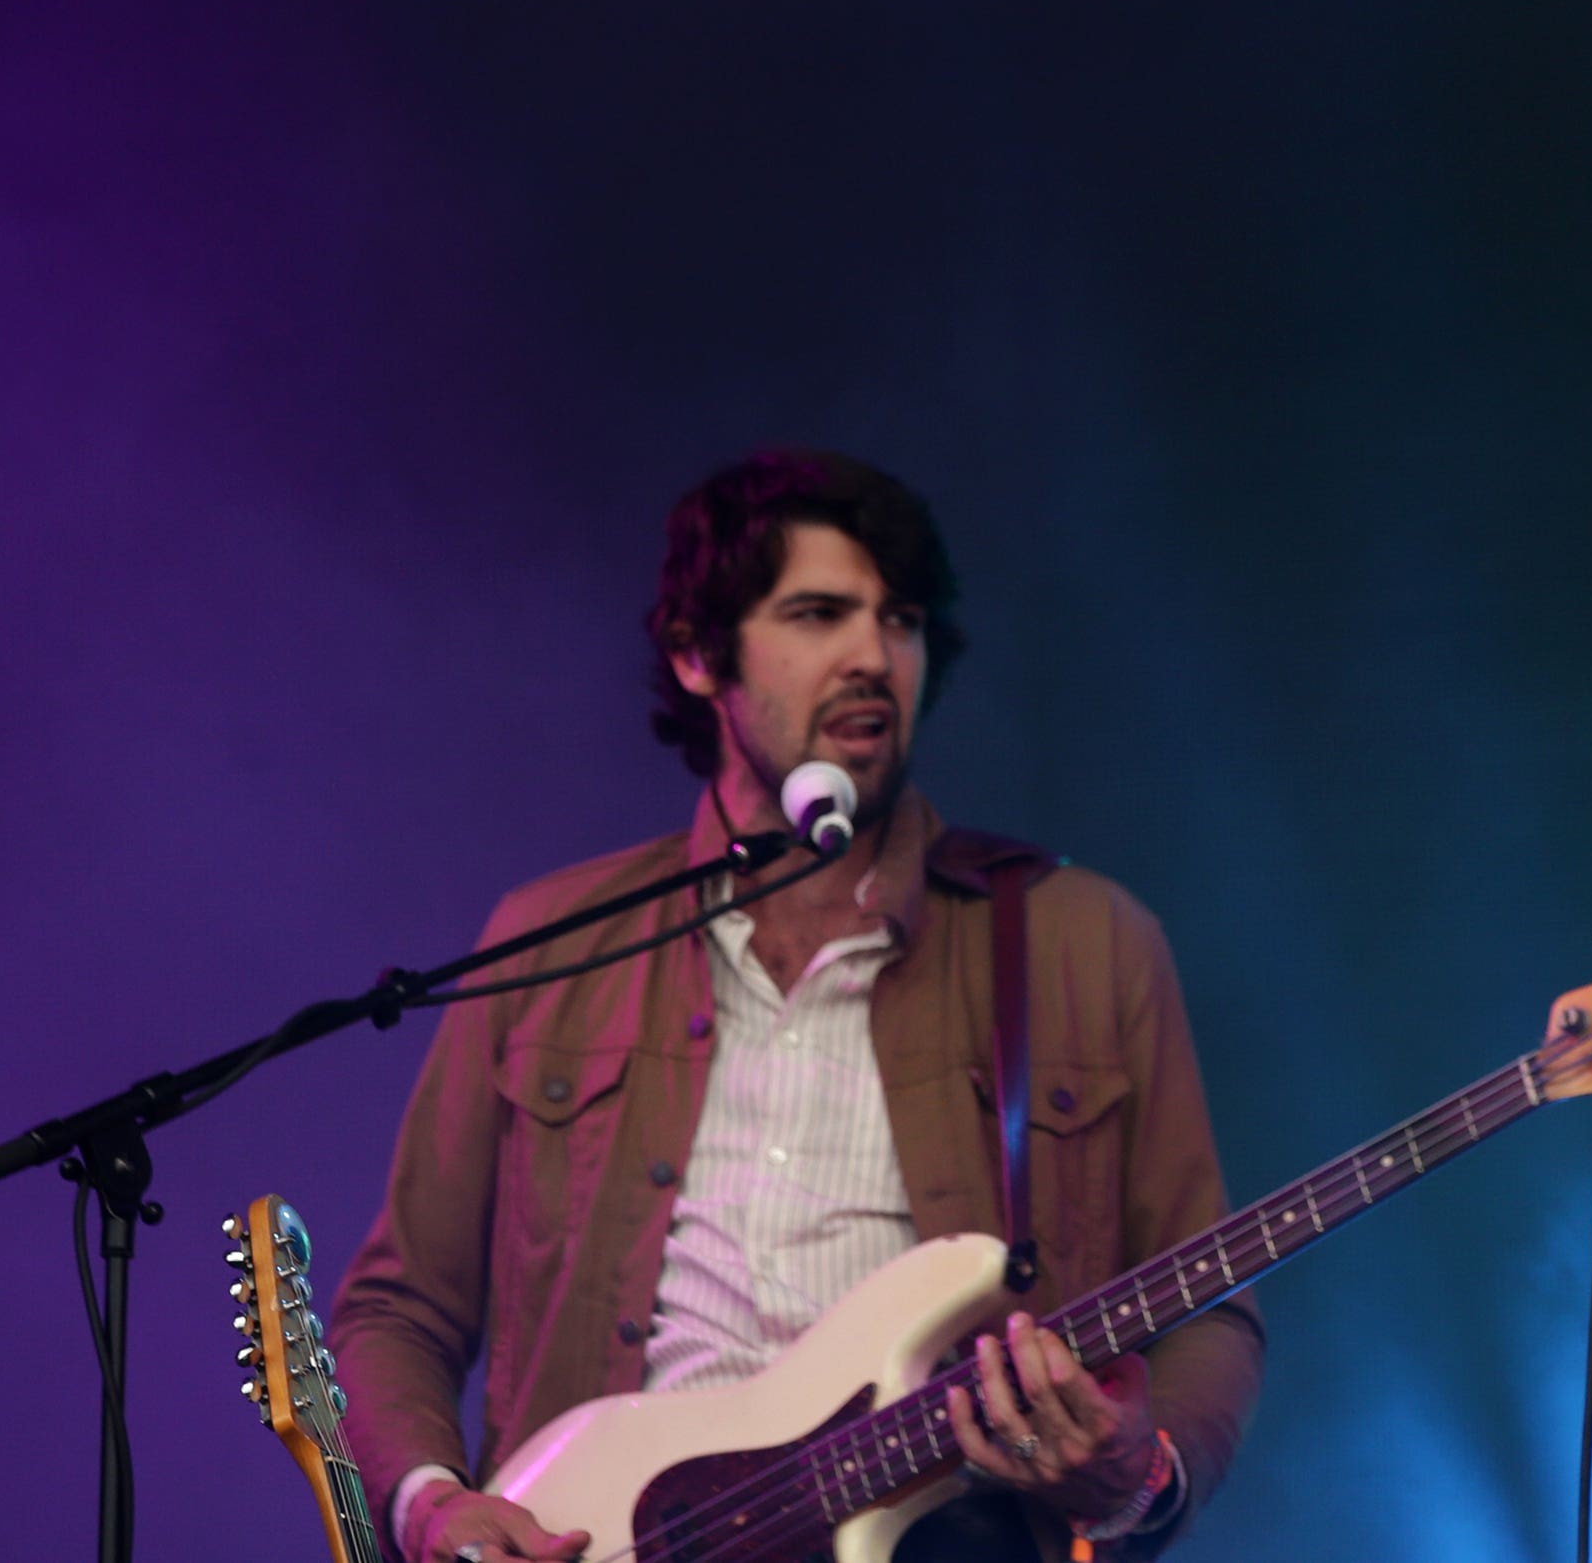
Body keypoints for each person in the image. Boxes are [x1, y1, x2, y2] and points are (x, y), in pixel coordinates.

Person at [328, 450, 1258, 1563]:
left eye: (900, 619)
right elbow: (399, 1311)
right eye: (819, 613)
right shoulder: (553, 940)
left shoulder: (1086, 939)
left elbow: (1209, 1302)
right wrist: (433, 1502)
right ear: (695, 653)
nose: (873, 655)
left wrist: (1135, 1470)